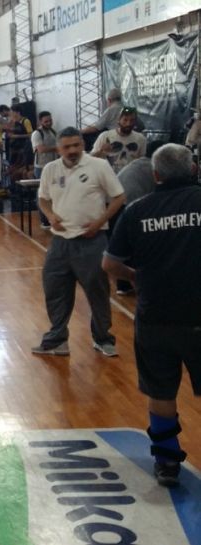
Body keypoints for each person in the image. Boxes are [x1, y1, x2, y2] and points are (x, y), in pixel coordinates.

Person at [101, 143, 200, 488]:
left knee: (161, 393)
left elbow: (109, 264)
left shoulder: (137, 211)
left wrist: (135, 277)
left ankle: (167, 463)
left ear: (155, 175)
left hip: (156, 316)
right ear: (193, 169)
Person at [32, 127, 125, 357]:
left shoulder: (99, 166)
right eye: (67, 147)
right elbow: (43, 199)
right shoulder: (50, 169)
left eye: (76, 145)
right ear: (59, 149)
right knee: (55, 290)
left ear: (83, 144)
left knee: (98, 292)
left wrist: (100, 221)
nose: (72, 150)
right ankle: (57, 340)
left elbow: (119, 197)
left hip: (92, 241)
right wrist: (50, 216)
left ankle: (103, 338)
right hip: (60, 243)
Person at [111, 140, 165, 296]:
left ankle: (124, 285)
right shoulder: (154, 168)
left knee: (123, 247)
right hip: (128, 205)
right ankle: (136, 283)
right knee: (138, 245)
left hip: (115, 204)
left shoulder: (139, 162)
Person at [92, 107, 147, 174]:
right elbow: (92, 159)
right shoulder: (105, 136)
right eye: (125, 120)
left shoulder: (141, 139)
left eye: (131, 120)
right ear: (119, 120)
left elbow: (143, 162)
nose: (128, 123)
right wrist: (101, 151)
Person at [32, 111, 59, 228]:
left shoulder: (53, 132)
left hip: (53, 166)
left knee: (53, 193)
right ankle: (44, 220)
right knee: (42, 194)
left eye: (50, 120)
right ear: (40, 122)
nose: (49, 123)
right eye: (46, 121)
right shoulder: (37, 134)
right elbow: (41, 149)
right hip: (41, 167)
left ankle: (52, 217)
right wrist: (57, 148)